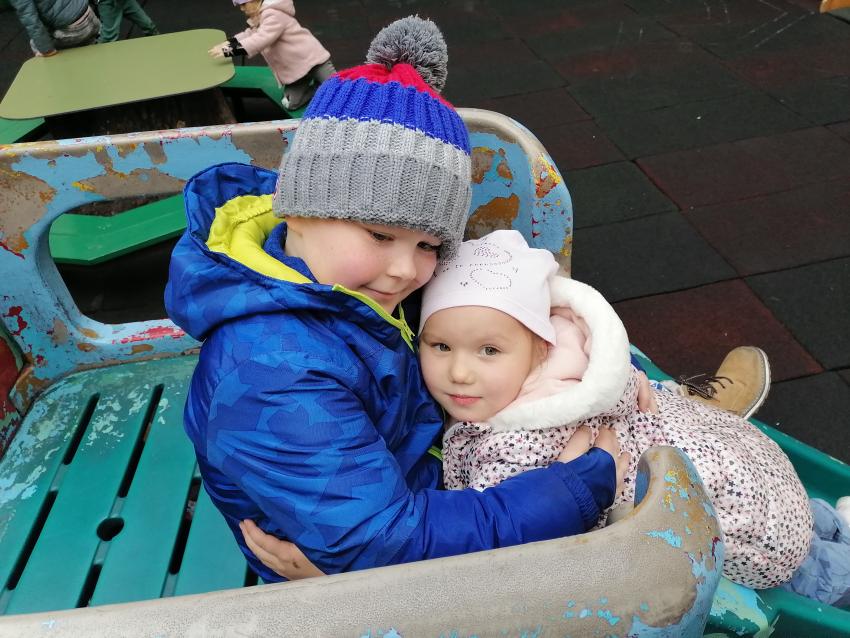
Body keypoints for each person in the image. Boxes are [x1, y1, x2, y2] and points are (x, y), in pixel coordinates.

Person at [166, 16, 630, 583]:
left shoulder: (344, 285)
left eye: (428, 244)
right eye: (380, 235)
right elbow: (380, 544)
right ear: (296, 209)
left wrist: (594, 362)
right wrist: (573, 490)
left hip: (428, 492)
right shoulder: (272, 368)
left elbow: (492, 303)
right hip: (372, 566)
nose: (407, 269)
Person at [413, 229, 850, 605]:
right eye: (441, 346)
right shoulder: (577, 368)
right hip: (747, 477)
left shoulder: (521, 441)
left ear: (539, 349)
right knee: (809, 522)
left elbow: (525, 548)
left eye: (489, 350)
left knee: (815, 574)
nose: (459, 372)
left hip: (745, 535)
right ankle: (835, 522)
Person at [209, 0, 335, 110]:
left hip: (314, 60)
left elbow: (261, 39)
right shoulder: (260, 17)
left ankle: (324, 87)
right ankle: (319, 88)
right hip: (296, 70)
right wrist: (230, 42)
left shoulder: (273, 14)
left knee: (336, 88)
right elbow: (251, 33)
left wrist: (230, 50)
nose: (242, 8)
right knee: (289, 103)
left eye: (244, 4)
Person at [10, 0, 100, 57]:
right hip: (90, 15)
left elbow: (30, 19)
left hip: (76, 30)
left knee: (35, 44)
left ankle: (61, 72)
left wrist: (47, 50)